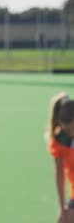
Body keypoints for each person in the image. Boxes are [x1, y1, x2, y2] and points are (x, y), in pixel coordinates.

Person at [46, 92, 74, 223]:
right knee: (63, 220)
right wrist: (62, 207)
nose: (71, 134)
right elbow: (59, 175)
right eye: (67, 130)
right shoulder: (60, 140)